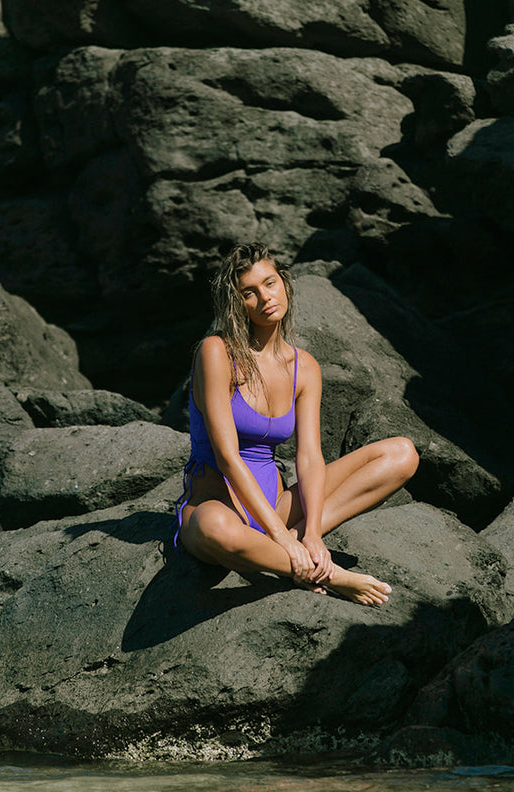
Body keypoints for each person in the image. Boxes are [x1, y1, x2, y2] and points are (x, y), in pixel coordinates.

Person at [173, 243, 418, 605]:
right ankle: (325, 573)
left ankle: (299, 550)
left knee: (402, 453)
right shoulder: (216, 352)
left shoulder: (304, 367)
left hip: (278, 509)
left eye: (270, 283)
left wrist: (313, 533)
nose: (264, 297)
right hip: (216, 506)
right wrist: (283, 537)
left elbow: (309, 458)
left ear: (284, 283)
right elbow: (227, 457)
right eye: (249, 293)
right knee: (216, 530)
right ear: (236, 304)